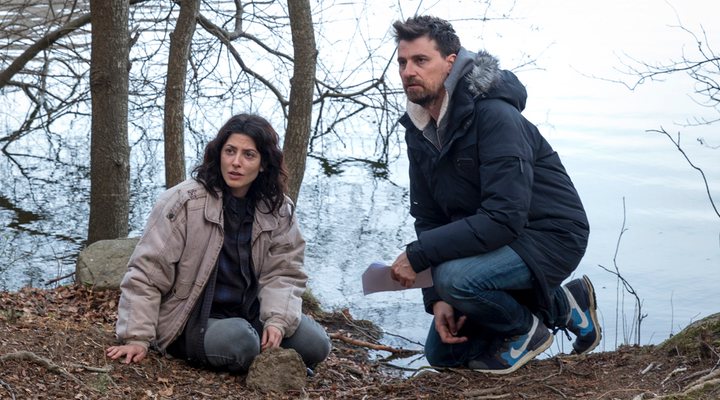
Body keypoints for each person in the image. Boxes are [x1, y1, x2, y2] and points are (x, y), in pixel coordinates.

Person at [388, 16, 600, 374]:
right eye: (402, 62)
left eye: (420, 61)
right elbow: (429, 217)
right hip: (492, 239)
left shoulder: (495, 115)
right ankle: (565, 304)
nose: (408, 71)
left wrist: (422, 259)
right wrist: (436, 298)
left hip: (550, 234)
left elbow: (505, 216)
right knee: (445, 354)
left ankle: (526, 331)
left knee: (456, 279)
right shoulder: (419, 128)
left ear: (451, 62)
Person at [106, 113, 331, 373]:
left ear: (262, 164)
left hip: (250, 313)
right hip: (191, 319)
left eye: (248, 155)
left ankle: (273, 358)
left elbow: (284, 271)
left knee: (317, 344)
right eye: (230, 151)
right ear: (218, 154)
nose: (236, 162)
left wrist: (277, 321)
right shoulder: (183, 201)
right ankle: (273, 362)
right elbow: (147, 273)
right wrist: (136, 337)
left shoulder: (278, 209)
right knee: (242, 342)